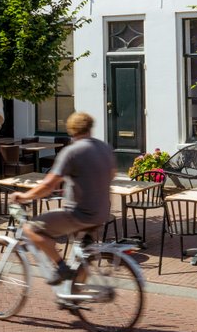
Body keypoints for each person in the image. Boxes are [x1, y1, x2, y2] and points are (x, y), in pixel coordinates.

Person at [9, 111, 116, 285]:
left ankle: (60, 268)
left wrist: (24, 196)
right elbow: (111, 174)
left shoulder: (72, 151)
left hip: (79, 214)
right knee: (83, 254)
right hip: (102, 213)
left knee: (31, 229)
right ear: (90, 127)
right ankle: (75, 295)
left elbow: (48, 185)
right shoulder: (105, 148)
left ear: (71, 130)